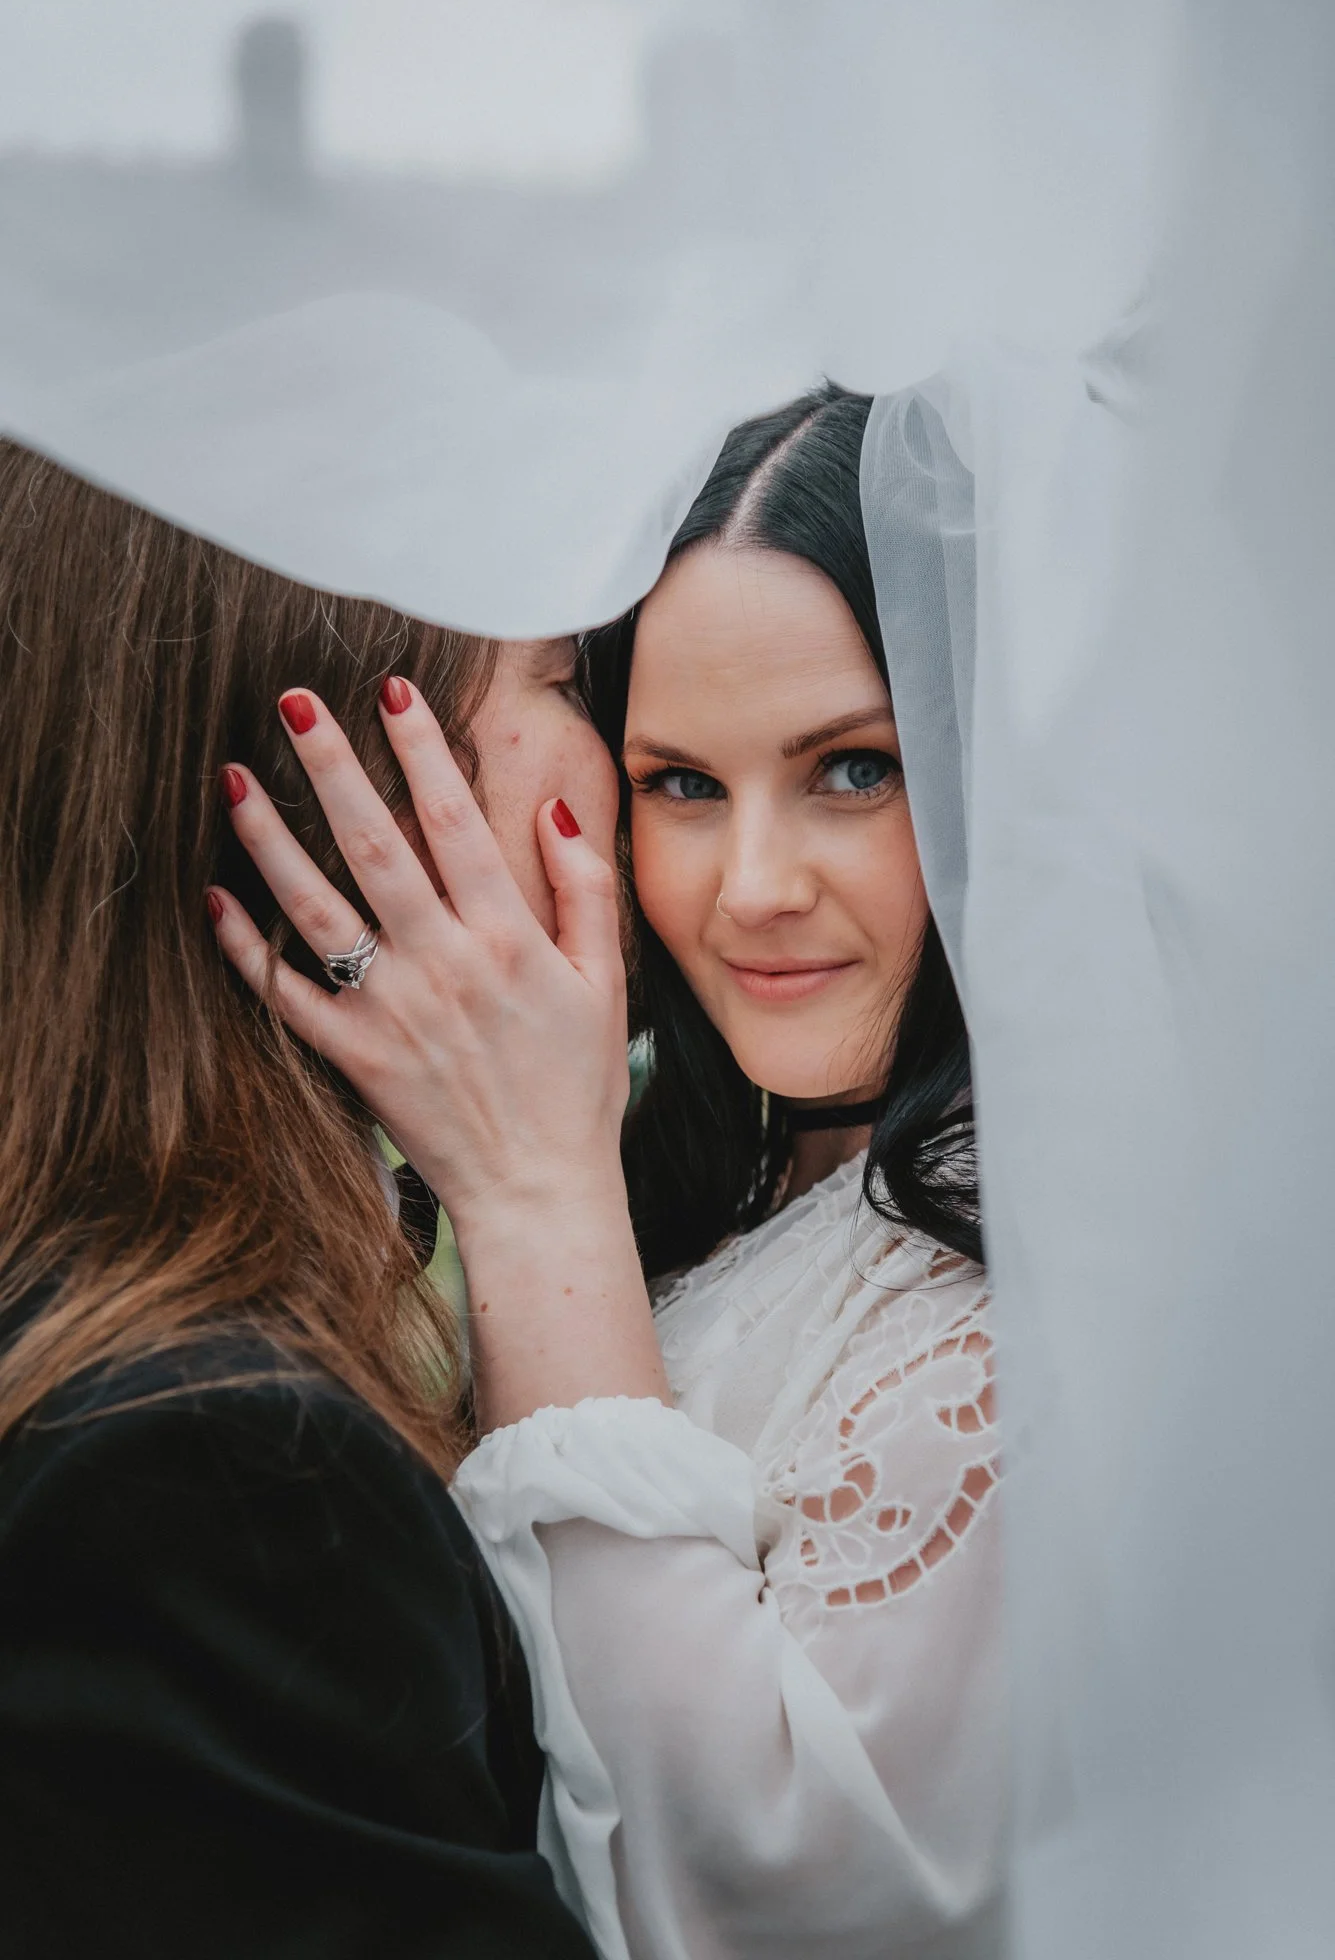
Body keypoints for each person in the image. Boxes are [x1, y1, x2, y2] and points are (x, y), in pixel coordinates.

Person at [212, 383, 1004, 1959]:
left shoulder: (1023, 1298)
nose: (753, 888)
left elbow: (765, 1908)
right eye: (681, 786)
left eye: (851, 769)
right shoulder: (714, 1186)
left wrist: (532, 1196)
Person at [0, 436, 607, 1960]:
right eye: (563, 677)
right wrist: (538, 1178)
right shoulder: (216, 1463)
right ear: (336, 769)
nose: (619, 744)